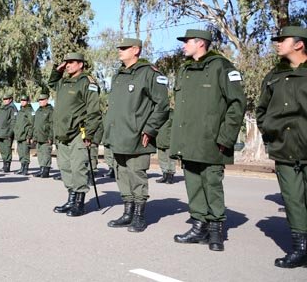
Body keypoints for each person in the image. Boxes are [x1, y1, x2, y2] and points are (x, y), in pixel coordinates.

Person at [170, 29, 246, 251]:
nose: (183, 45)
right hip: (188, 140)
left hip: (212, 140)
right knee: (193, 184)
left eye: (187, 42)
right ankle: (198, 225)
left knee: (212, 185)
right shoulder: (185, 70)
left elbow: (237, 103)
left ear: (200, 43)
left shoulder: (221, 67)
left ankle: (216, 230)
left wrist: (227, 136)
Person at [103, 38, 170, 232]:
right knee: (122, 174)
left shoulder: (149, 73)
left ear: (136, 50)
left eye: (124, 48)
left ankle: (139, 216)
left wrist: (150, 129)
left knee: (136, 174)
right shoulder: (119, 75)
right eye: (119, 48)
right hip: (118, 134)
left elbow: (162, 105)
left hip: (138, 135)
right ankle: (127, 212)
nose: (119, 51)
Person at [256, 26, 307, 268]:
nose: (277, 44)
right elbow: (261, 111)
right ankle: (300, 249)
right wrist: (269, 134)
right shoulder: (273, 76)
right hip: (284, 149)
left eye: (282, 40)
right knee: (293, 200)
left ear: (299, 44)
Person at [49, 52, 102, 217]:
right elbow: (51, 82)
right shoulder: (63, 82)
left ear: (81, 64)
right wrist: (57, 71)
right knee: (65, 167)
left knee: (78, 167)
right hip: (62, 132)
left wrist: (90, 135)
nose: (67, 65)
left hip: (79, 132)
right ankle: (71, 199)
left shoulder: (87, 82)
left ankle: (79, 203)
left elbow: (94, 111)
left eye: (71, 62)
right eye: (66, 62)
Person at [32, 94, 54, 178]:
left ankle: (45, 171)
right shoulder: (38, 110)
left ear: (47, 100)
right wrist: (34, 137)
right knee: (40, 154)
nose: (40, 101)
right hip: (38, 137)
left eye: (42, 100)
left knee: (46, 154)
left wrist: (50, 137)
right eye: (39, 100)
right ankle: (41, 169)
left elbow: (52, 125)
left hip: (46, 137)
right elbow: (35, 125)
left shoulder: (50, 110)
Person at [0, 93, 16, 172]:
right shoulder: (3, 108)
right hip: (1, 133)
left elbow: (13, 121)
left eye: (6, 99)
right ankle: (4, 165)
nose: (5, 101)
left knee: (7, 149)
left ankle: (7, 166)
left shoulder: (12, 108)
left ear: (10, 99)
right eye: (4, 99)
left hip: (7, 133)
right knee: (2, 150)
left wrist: (10, 133)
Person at [14, 95, 34, 175]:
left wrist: (29, 136)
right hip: (19, 135)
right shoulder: (20, 111)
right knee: (21, 152)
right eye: (21, 100)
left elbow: (32, 124)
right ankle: (22, 167)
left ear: (27, 101)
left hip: (25, 136)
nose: (22, 102)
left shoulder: (29, 111)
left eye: (24, 100)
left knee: (25, 153)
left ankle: (26, 168)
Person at [155, 110, 175, 184]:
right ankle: (165, 175)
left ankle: (170, 176)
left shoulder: (171, 114)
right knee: (162, 158)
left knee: (170, 159)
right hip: (159, 139)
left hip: (169, 140)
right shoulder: (158, 113)